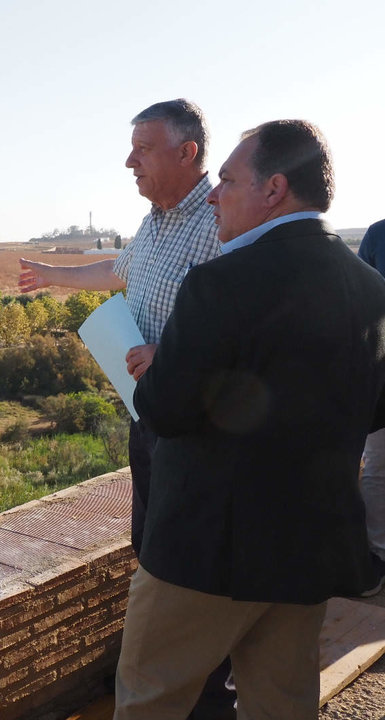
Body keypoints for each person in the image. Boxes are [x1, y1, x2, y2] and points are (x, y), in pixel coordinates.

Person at [114, 120, 385, 720]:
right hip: (307, 551)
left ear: (274, 189)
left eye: (229, 180)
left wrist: (160, 366)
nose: (214, 193)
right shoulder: (371, 288)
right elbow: (375, 408)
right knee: (281, 705)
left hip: (203, 552)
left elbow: (163, 410)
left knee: (149, 700)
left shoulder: (218, 284)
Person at [18, 99, 221, 555]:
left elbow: (250, 321)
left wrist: (170, 357)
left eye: (143, 149)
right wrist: (52, 275)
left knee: (187, 544)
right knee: (149, 538)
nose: (130, 162)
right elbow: (119, 270)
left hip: (197, 425)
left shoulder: (222, 222)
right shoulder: (153, 222)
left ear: (186, 153)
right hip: (147, 412)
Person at [358, 219, 385, 595]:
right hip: (382, 369)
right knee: (377, 466)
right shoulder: (379, 234)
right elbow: (361, 299)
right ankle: (379, 555)